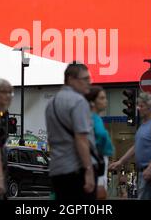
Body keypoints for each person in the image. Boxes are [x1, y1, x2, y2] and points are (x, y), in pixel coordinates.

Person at [45, 62, 97, 200]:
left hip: (57, 169)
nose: (89, 83)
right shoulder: (79, 101)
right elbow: (81, 139)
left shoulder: (51, 103)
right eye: (85, 79)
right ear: (71, 80)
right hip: (76, 170)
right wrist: (89, 170)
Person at [109, 92, 151, 200]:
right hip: (142, 172)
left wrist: (150, 167)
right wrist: (120, 162)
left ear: (150, 107)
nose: (138, 108)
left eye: (141, 106)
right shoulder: (142, 125)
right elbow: (135, 147)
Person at [85, 86, 114, 199]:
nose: (105, 101)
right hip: (95, 166)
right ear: (92, 102)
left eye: (105, 98)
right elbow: (101, 137)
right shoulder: (92, 119)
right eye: (101, 98)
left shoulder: (94, 118)